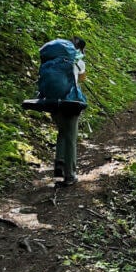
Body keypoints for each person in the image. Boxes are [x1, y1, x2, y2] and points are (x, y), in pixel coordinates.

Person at [52, 37, 86, 186]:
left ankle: (59, 162)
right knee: (71, 137)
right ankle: (70, 175)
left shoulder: (54, 59)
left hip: (52, 100)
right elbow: (82, 79)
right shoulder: (79, 61)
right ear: (81, 49)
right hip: (70, 102)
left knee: (62, 131)